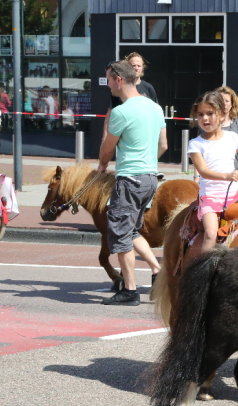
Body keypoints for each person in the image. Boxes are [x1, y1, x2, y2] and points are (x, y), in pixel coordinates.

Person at [98, 60, 167, 306]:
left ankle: (130, 290)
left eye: (109, 79)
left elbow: (108, 148)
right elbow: (163, 145)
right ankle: (157, 269)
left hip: (129, 179)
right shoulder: (155, 108)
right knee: (132, 230)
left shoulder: (121, 112)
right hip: (150, 178)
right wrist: (147, 162)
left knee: (120, 235)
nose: (108, 85)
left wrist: (102, 164)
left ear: (119, 79)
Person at [187, 91, 238, 254]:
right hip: (210, 196)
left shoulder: (232, 137)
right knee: (210, 234)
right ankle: (204, 268)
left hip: (236, 194)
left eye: (210, 113)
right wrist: (228, 176)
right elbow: (203, 171)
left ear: (222, 115)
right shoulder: (196, 144)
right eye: (200, 114)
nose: (205, 118)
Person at [193, 86, 238, 188]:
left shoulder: (237, 124)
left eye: (227, 101)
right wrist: (196, 176)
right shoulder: (206, 127)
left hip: (236, 174)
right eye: (221, 100)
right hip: (212, 182)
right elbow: (200, 157)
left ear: (232, 104)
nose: (224, 104)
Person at [102, 52, 158, 142]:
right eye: (133, 65)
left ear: (142, 68)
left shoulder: (148, 88)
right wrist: (105, 136)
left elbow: (156, 114)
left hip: (144, 135)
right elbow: (109, 114)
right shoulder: (119, 88)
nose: (136, 68)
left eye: (139, 66)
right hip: (124, 136)